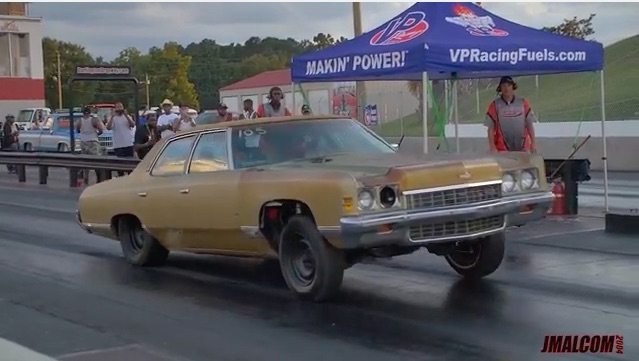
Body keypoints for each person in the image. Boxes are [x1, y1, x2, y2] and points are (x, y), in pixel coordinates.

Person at [485, 76, 537, 153]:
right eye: (504, 86)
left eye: (509, 86)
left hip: (523, 147)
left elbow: (529, 124)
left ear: (513, 87)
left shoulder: (523, 103)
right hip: (502, 149)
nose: (506, 89)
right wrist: (492, 146)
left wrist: (533, 143)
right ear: (500, 88)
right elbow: (490, 129)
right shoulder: (494, 105)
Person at [76, 106, 105, 184]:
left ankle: (86, 178)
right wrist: (96, 134)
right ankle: (98, 178)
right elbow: (101, 129)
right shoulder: (93, 120)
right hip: (93, 141)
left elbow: (77, 130)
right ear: (90, 112)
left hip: (83, 141)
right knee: (96, 160)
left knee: (85, 162)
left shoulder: (80, 121)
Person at [106, 102, 136, 176]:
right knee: (120, 166)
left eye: (121, 108)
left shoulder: (127, 116)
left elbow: (132, 125)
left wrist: (126, 115)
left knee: (130, 165)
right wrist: (112, 116)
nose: (119, 110)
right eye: (118, 108)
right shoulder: (112, 118)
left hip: (128, 144)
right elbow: (108, 128)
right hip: (118, 145)